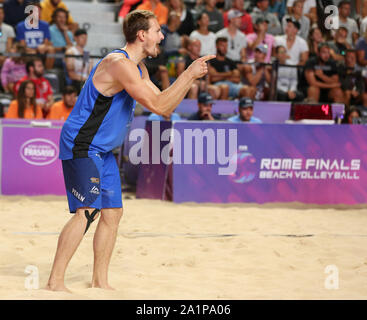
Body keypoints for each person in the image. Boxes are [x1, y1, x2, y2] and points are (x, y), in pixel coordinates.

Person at [46, 10, 214, 292]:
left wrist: (189, 78)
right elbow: (160, 107)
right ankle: (54, 282)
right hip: (82, 143)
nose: (162, 36)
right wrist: (188, 74)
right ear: (142, 35)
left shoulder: (139, 68)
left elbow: (165, 104)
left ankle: (99, 282)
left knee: (112, 213)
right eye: (158, 30)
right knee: (87, 211)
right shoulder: (118, 63)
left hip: (103, 148)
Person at [16, 2, 55, 69]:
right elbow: (22, 44)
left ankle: (47, 71)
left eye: (40, 11)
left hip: (41, 49)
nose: (39, 14)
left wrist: (43, 46)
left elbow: (46, 42)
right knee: (31, 52)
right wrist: (35, 49)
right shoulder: (21, 26)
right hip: (28, 50)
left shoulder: (45, 25)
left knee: (51, 49)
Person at [65, 28, 93, 94]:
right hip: (76, 82)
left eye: (86, 38)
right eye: (82, 37)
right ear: (76, 38)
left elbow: (89, 72)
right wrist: (84, 79)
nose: (85, 40)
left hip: (85, 81)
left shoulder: (86, 53)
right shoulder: (71, 52)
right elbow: (71, 74)